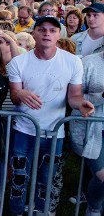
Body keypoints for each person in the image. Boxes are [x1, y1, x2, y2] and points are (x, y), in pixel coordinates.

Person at [7, 16, 95, 215]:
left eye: (53, 30)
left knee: (46, 180)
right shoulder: (18, 62)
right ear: (34, 33)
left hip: (54, 132)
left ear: (59, 35)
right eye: (42, 29)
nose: (47, 33)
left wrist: (81, 105)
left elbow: (74, 96)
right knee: (19, 177)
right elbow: (14, 96)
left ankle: (42, 211)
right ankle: (16, 211)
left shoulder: (73, 62)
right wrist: (20, 93)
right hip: (23, 129)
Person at [68, 51, 104, 216]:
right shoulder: (88, 63)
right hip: (92, 132)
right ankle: (94, 208)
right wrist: (100, 96)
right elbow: (75, 96)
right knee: (102, 176)